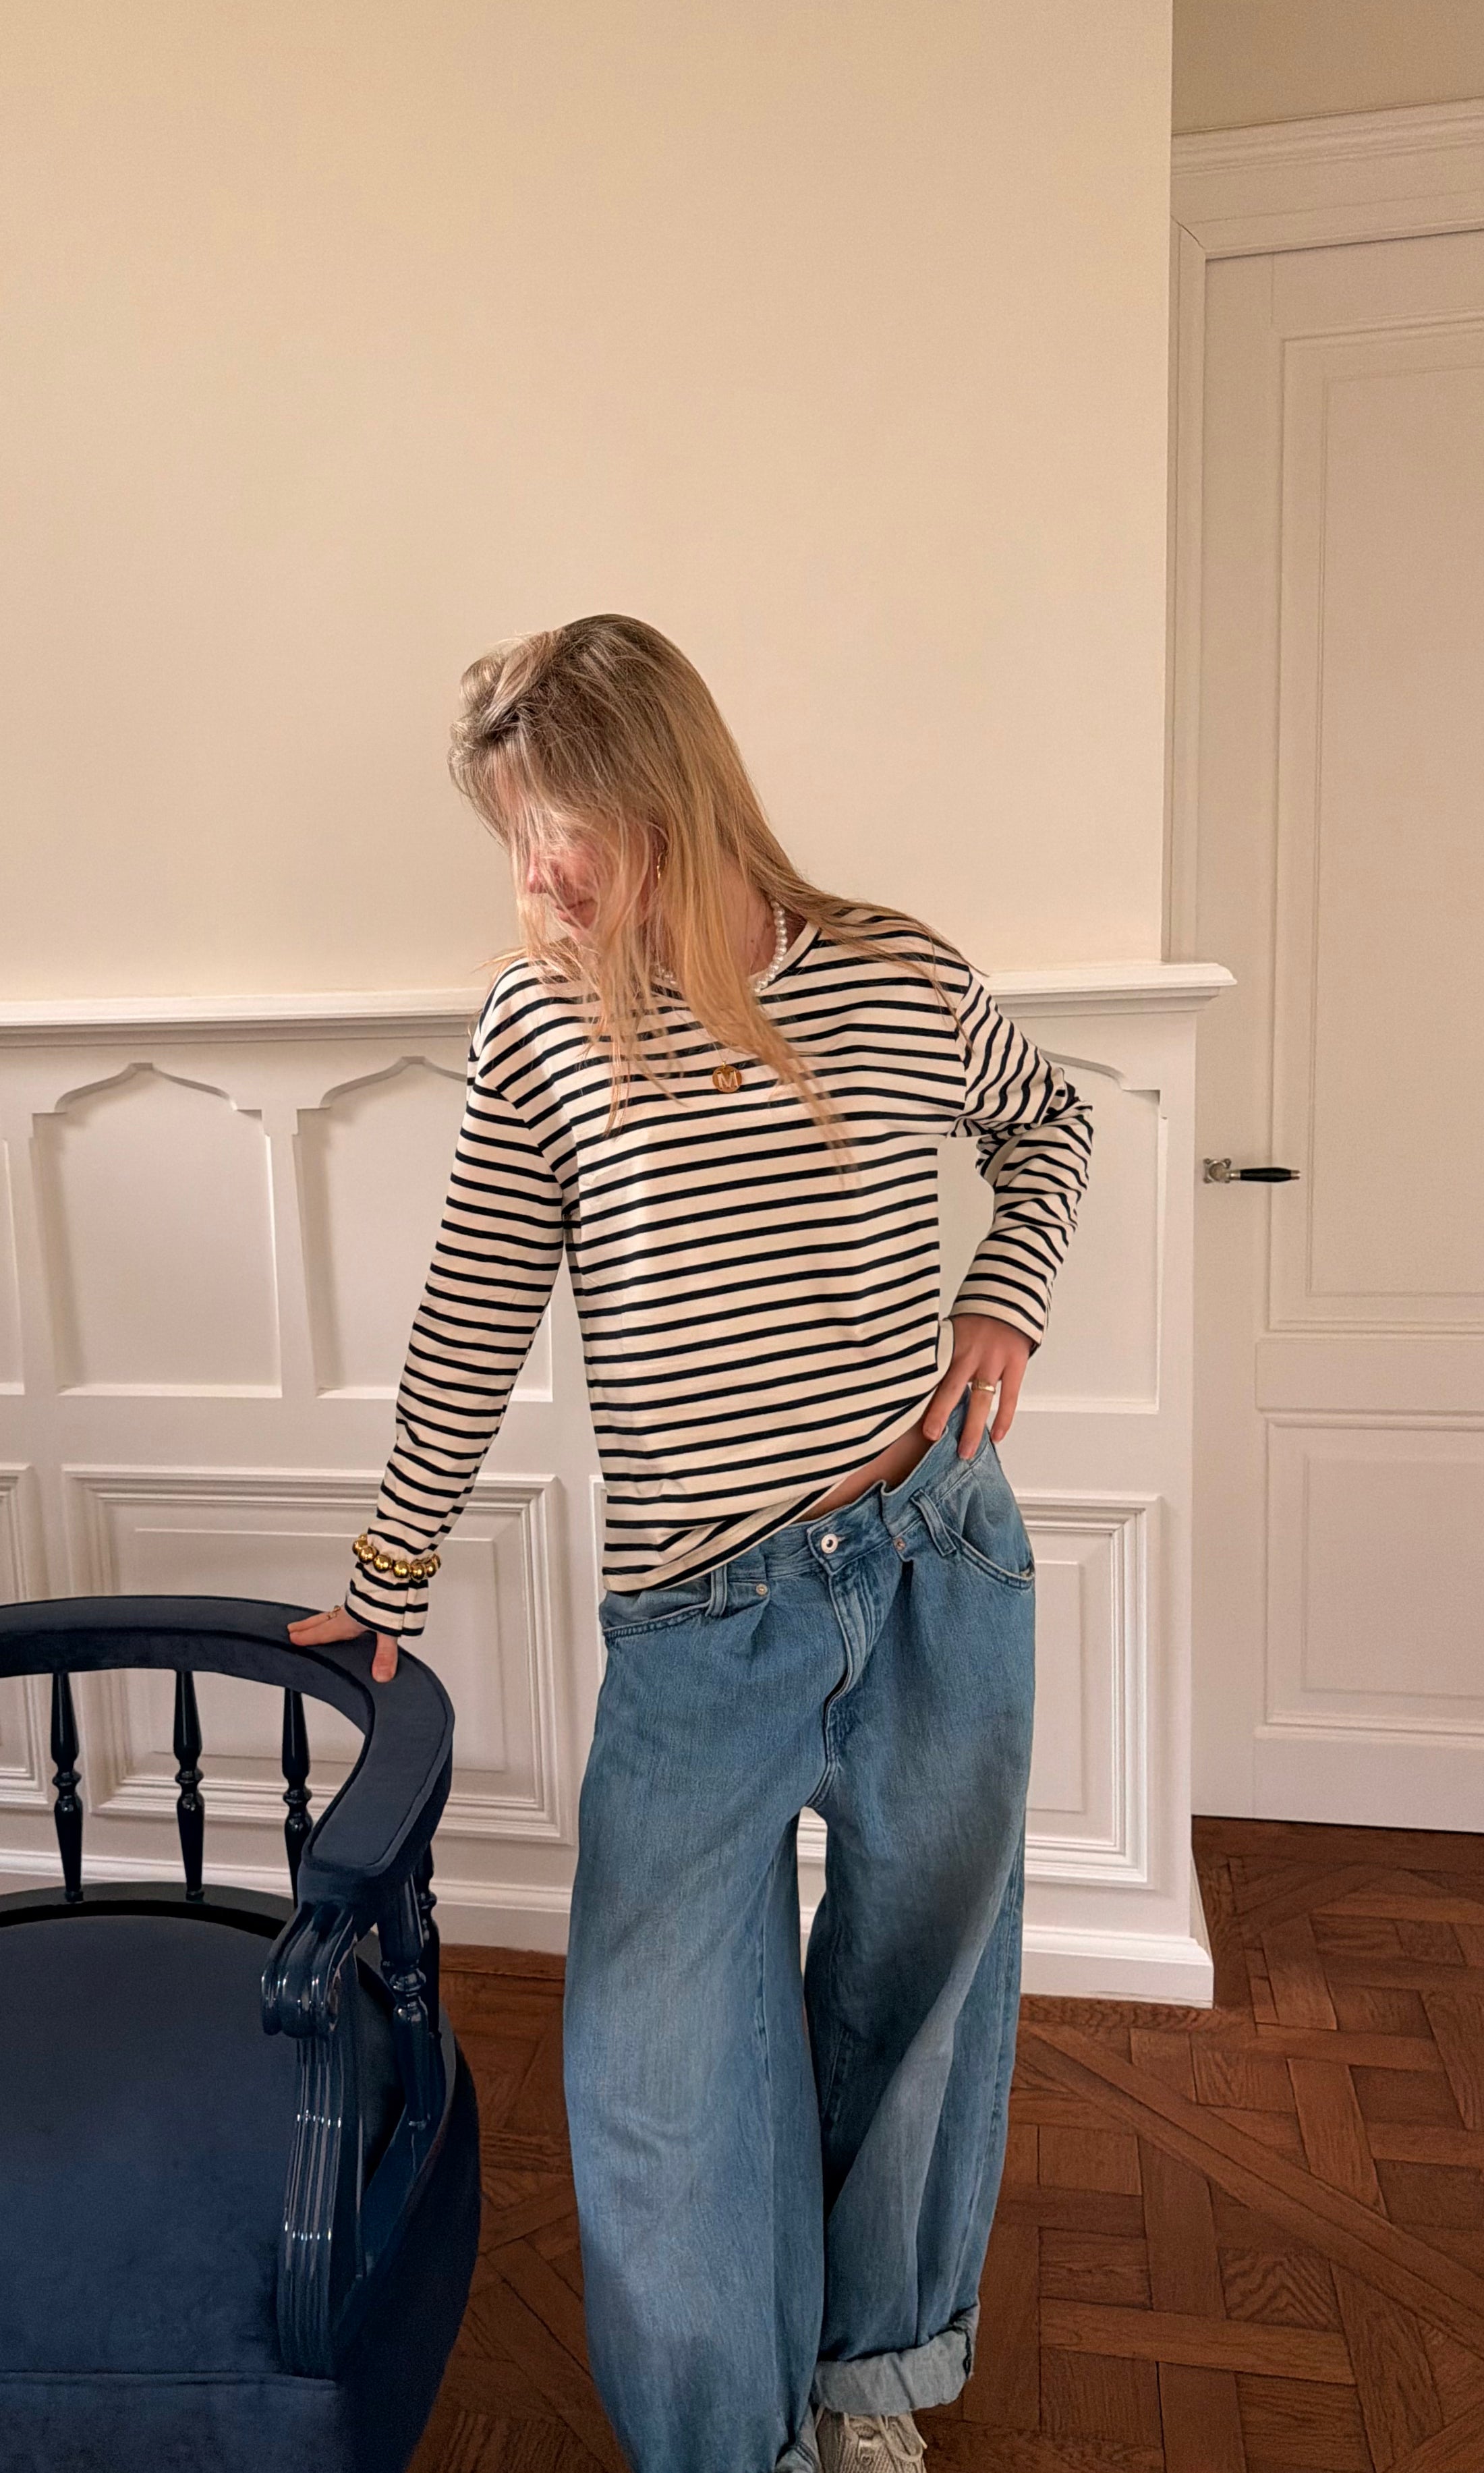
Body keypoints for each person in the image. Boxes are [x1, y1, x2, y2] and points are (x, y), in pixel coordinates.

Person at [287, 613, 1093, 2473]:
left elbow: (1048, 1122)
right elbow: (474, 1311)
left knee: (917, 1999)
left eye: (558, 821)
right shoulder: (539, 1026)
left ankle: (869, 2387)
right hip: (699, 1628)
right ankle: (736, 2446)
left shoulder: (897, 979)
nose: (535, 872)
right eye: (511, 830)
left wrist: (1005, 1299)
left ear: (670, 789)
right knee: (660, 2089)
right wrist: (390, 1574)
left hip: (934, 1568)